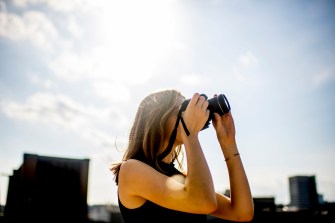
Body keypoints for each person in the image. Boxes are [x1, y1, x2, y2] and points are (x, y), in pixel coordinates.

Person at [111, 89, 254, 223]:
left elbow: (242, 212)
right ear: (158, 119)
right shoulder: (131, 170)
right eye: (182, 110)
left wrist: (228, 144)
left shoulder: (184, 182)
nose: (188, 116)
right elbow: (205, 203)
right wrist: (190, 133)